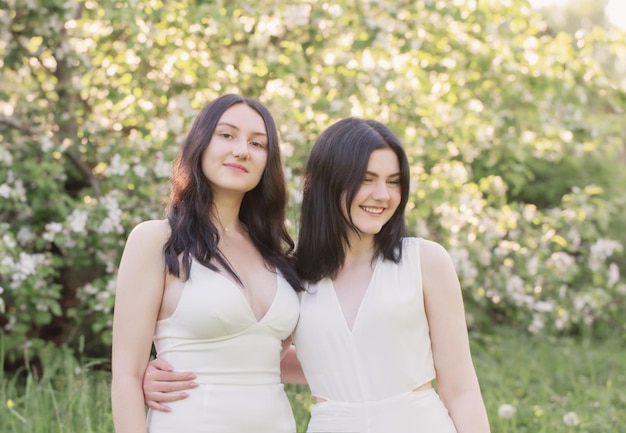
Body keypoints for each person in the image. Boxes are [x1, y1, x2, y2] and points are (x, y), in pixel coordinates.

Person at [142, 118, 491, 433]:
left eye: (393, 182)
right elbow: (263, 358)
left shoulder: (425, 261)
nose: (382, 195)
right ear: (327, 184)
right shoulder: (293, 277)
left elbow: (460, 389)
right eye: (366, 180)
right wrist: (169, 371)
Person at [111, 94, 303, 433]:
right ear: (200, 144)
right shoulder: (156, 241)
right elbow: (126, 375)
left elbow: (263, 356)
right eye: (226, 135)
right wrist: (143, 374)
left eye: (257, 143)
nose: (242, 150)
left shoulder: (277, 256)